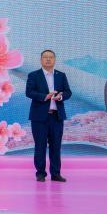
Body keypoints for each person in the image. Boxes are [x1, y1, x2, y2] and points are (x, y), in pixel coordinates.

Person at [25, 49, 72, 182]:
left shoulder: (61, 75)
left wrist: (60, 97)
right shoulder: (34, 75)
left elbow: (68, 92)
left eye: (51, 57)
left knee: (56, 146)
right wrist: (45, 96)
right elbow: (29, 92)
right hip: (39, 117)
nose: (48, 59)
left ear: (54, 59)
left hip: (56, 116)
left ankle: (56, 173)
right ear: (41, 60)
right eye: (45, 57)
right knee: (40, 146)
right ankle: (40, 173)